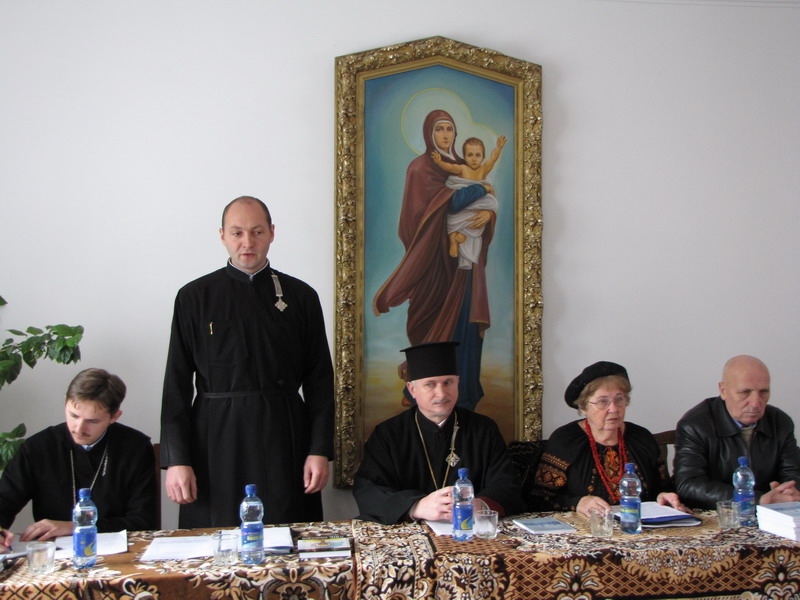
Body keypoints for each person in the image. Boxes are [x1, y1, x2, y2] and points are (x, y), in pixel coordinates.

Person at [160, 196, 334, 528]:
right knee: (214, 541)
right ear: (222, 236)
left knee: (288, 537)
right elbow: (176, 386)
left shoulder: (301, 297)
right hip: (214, 440)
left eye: (257, 232)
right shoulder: (194, 297)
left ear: (271, 233)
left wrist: (319, 450)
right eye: (237, 233)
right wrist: (177, 460)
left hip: (284, 437)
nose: (247, 242)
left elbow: (320, 382)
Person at [373, 110, 496, 410]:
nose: (445, 135)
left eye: (449, 129)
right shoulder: (420, 168)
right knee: (429, 326)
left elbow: (475, 205)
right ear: (429, 133)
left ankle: (465, 392)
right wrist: (480, 189)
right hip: (433, 264)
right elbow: (425, 213)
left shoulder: (462, 164)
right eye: (439, 129)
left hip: (463, 268)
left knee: (464, 326)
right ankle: (423, 394)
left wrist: (487, 213)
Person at [353, 341, 524, 524]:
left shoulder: (484, 429)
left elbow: (507, 484)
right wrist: (416, 507)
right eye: (430, 385)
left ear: (458, 382)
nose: (441, 394)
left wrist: (480, 505)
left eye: (448, 382)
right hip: (409, 530)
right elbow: (368, 489)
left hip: (469, 527)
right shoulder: (388, 434)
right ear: (412, 389)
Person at [0, 368, 157, 552]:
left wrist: (75, 527)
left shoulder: (136, 447)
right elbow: (5, 499)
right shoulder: (38, 447)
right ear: (65, 403)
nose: (79, 428)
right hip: (53, 554)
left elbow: (142, 521)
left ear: (114, 417)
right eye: (73, 416)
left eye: (92, 421)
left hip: (121, 553)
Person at [532, 361, 688, 517]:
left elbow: (662, 487)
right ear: (583, 407)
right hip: (588, 528)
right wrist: (577, 503)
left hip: (638, 526)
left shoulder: (641, 438)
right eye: (603, 402)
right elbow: (539, 500)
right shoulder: (566, 441)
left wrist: (664, 496)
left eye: (619, 400)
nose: (613, 409)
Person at [674, 355, 800, 509]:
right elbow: (688, 485)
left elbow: (793, 473)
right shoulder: (695, 425)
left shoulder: (780, 422)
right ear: (723, 390)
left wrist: (789, 492)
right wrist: (756, 499)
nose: (755, 403)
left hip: (771, 514)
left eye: (763, 392)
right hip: (718, 514)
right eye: (745, 392)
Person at [432, 136, 506, 267]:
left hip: (478, 203)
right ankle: (453, 240)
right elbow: (450, 167)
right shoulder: (462, 169)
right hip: (464, 203)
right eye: (470, 155)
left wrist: (499, 147)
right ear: (464, 157)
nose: (474, 159)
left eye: (478, 155)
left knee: (481, 213)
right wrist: (439, 162)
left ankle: (463, 234)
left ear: (483, 157)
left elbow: (493, 158)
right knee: (453, 218)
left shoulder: (484, 169)